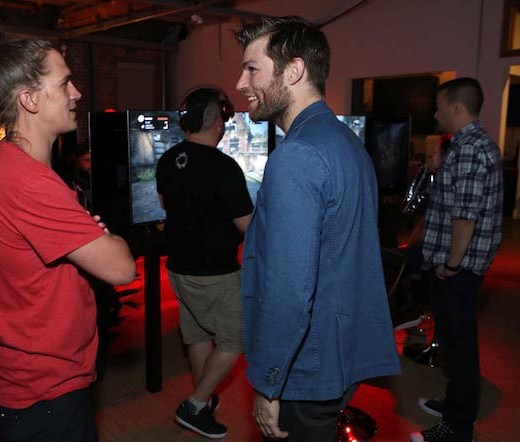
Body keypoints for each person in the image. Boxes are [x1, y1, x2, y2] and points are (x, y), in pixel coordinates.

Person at [0, 25, 136, 442]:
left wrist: (90, 236)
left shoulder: (15, 165)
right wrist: (107, 239)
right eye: (65, 82)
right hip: (44, 389)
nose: (76, 93)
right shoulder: (29, 182)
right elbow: (122, 268)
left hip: (36, 381)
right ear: (30, 99)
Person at [234, 16, 401, 441]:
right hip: (340, 350)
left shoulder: (297, 156)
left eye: (252, 69)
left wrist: (269, 381)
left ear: (293, 70)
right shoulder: (344, 141)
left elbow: (289, 289)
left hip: (307, 364)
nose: (240, 82)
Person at [155, 87, 254, 439]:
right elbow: (247, 227)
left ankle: (204, 398)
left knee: (197, 335)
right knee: (235, 340)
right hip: (216, 272)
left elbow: (167, 204)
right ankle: (195, 405)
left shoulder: (167, 160)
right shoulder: (224, 167)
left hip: (177, 268)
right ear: (218, 122)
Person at [412, 78, 503, 442]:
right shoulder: (477, 144)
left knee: (459, 347)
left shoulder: (468, 149)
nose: (435, 113)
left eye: (438, 106)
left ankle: (457, 428)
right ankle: (454, 405)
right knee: (455, 343)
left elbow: (465, 216)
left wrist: (450, 264)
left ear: (456, 107)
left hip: (458, 270)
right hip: (464, 266)